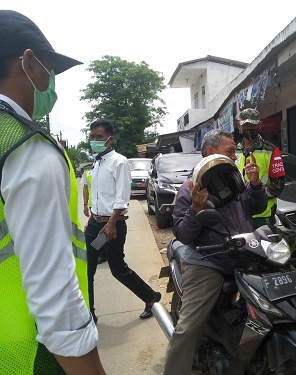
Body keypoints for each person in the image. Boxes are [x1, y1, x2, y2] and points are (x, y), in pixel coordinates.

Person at [0, 10, 105, 374]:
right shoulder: (27, 152)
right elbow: (55, 297)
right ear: (28, 64)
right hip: (22, 354)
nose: (51, 82)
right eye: (50, 68)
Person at [163, 129, 267, 374]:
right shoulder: (191, 188)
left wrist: (255, 185)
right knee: (189, 327)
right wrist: (195, 212)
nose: (235, 156)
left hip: (243, 254)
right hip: (207, 261)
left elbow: (256, 208)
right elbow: (183, 234)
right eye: (230, 151)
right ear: (211, 151)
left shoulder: (233, 179)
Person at [85, 119, 160, 323]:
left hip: (112, 226)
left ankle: (151, 297)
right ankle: (89, 313)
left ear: (110, 139)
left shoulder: (120, 162)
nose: (94, 140)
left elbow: (121, 197)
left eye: (99, 137)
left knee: (118, 269)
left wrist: (110, 223)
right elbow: (98, 194)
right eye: (92, 137)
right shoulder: (97, 162)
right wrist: (92, 214)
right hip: (95, 225)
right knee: (86, 269)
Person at [235, 108, 286, 228]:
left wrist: (256, 196)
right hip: (239, 214)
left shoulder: (271, 150)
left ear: (260, 125)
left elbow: (278, 185)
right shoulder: (233, 150)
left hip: (263, 216)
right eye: (246, 125)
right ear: (239, 126)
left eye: (253, 125)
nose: (249, 128)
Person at [82, 158, 106, 264]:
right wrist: (85, 204)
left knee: (101, 231)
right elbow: (85, 188)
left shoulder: (107, 167)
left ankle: (103, 254)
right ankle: (99, 253)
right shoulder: (87, 170)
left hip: (105, 206)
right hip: (93, 205)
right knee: (92, 231)